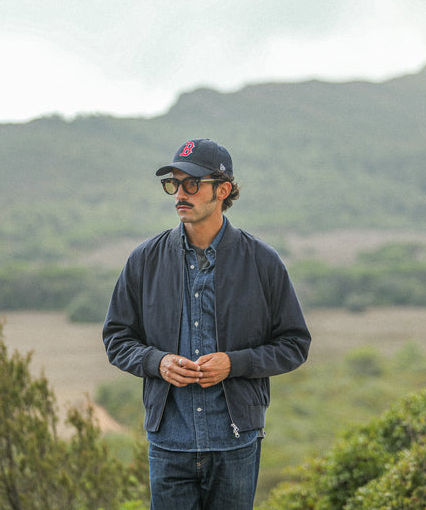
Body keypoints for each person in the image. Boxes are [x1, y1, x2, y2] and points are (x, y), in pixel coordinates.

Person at [102, 139, 311, 509]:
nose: (180, 194)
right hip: (169, 443)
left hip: (235, 443)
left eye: (192, 184)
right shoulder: (144, 260)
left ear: (223, 189)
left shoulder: (262, 262)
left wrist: (235, 363)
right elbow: (117, 339)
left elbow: (294, 344)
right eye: (174, 184)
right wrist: (157, 362)